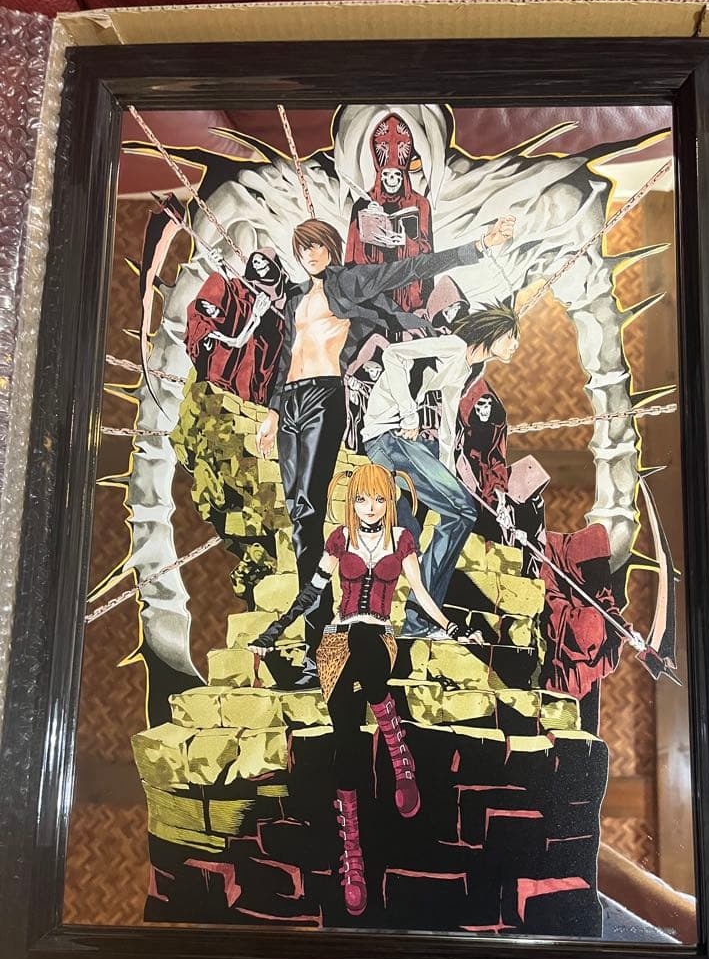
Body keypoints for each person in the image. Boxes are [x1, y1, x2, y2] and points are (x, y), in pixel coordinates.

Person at [254, 215, 515, 685]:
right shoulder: (295, 298)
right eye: (302, 248)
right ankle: (326, 642)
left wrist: (478, 245)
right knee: (299, 519)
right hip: (292, 404)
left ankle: (320, 648)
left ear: (331, 247)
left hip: (323, 399)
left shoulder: (348, 282)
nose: (310, 255)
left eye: (316, 246)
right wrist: (273, 411)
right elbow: (286, 355)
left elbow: (409, 268)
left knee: (311, 514)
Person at [248, 464, 463, 916]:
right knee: (345, 741)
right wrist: (272, 632)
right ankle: (353, 857)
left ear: (390, 502)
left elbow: (421, 593)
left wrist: (452, 627)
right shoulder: (339, 540)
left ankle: (397, 749)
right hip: (335, 644)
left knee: (365, 637)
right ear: (351, 502)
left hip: (378, 639)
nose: (370, 507)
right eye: (362, 499)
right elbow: (311, 593)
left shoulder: (401, 540)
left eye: (379, 499)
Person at [361, 302, 521, 638]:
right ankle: (419, 620)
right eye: (511, 336)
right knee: (462, 511)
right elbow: (392, 355)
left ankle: (420, 618)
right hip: (387, 437)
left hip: (400, 442)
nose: (515, 344)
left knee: (462, 511)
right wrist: (409, 413)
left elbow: (448, 423)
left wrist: (448, 475)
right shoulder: (454, 346)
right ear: (494, 333)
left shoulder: (467, 368)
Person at [344, 112, 433, 314]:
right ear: (379, 175)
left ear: (404, 175)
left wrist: (404, 242)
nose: (391, 180)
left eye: (396, 175)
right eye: (386, 175)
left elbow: (428, 255)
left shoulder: (420, 204)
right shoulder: (362, 204)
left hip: (407, 293)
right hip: (373, 295)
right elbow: (351, 259)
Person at [185, 247, 287, 405]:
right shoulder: (203, 323)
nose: (258, 264)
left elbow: (229, 299)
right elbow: (232, 300)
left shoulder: (284, 293)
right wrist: (256, 316)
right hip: (229, 359)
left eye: (263, 260)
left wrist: (221, 267)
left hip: (261, 341)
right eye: (255, 261)